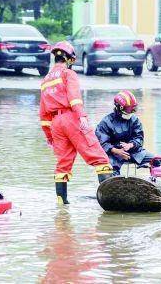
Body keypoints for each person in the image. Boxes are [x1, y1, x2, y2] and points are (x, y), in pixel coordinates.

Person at [39, 41, 114, 205]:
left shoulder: (45, 80)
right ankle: (111, 202)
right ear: (69, 59)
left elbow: (43, 114)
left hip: (55, 123)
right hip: (71, 118)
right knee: (100, 158)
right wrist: (82, 117)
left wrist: (49, 136)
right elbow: (74, 98)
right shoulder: (68, 74)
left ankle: (62, 205)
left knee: (62, 164)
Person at [95, 90, 154, 176]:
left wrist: (131, 145)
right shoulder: (106, 122)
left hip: (134, 152)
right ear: (120, 108)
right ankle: (115, 185)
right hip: (113, 154)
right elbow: (101, 143)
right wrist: (116, 151)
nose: (131, 112)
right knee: (108, 169)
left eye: (133, 109)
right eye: (129, 109)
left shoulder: (134, 120)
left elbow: (139, 138)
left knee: (157, 160)